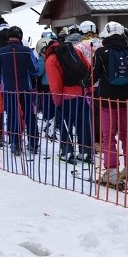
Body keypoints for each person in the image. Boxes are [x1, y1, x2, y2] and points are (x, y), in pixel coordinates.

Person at [94, 22, 128, 187]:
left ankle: (112, 173)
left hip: (107, 100)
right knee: (126, 135)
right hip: (126, 100)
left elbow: (94, 76)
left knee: (109, 137)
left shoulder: (101, 52)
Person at [0, 26, 40, 155]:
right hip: (26, 88)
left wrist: (1, 77)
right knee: (30, 115)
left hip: (8, 89)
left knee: (12, 115)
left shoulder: (0, 52)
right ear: (20, 37)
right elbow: (35, 69)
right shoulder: (27, 51)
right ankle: (33, 144)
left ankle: (15, 144)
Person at [46, 32, 93, 163]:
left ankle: (67, 151)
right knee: (82, 123)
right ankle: (86, 152)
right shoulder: (75, 52)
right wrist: (87, 89)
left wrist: (57, 102)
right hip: (81, 94)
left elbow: (55, 84)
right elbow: (88, 69)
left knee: (65, 125)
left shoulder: (51, 60)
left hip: (65, 97)